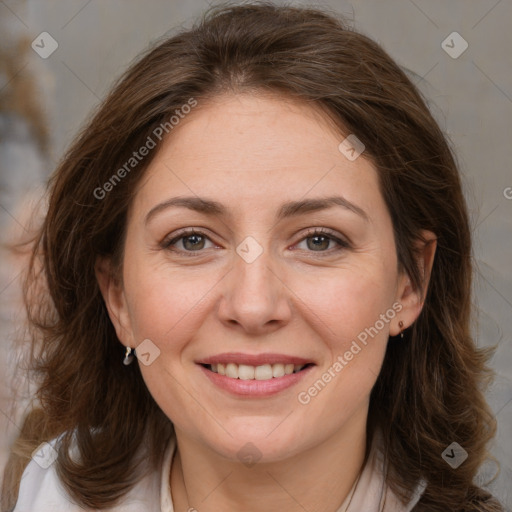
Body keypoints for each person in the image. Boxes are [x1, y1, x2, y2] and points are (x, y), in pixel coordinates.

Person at [1, 2, 504, 511]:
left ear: (409, 282)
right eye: (192, 240)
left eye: (319, 240)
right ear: (117, 297)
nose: (253, 305)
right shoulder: (38, 492)